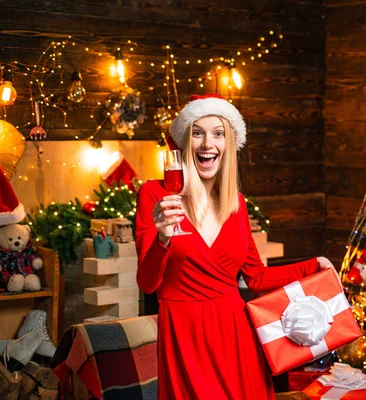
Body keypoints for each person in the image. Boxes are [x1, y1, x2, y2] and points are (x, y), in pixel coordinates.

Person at [135, 93, 337, 400]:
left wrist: (314, 265)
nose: (207, 144)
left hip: (236, 335)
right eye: (197, 133)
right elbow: (148, 283)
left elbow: (257, 279)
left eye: (218, 134)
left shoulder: (236, 204)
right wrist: (163, 238)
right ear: (182, 141)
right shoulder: (156, 194)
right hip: (184, 336)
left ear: (229, 144)